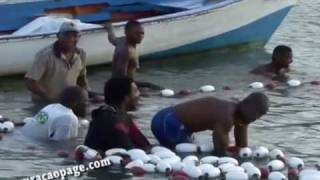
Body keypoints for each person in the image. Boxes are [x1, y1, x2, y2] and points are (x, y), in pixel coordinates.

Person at [151, 92, 269, 156]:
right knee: (180, 156)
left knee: (186, 148)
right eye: (257, 114)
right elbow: (219, 151)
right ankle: (146, 151)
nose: (256, 118)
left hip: (170, 120)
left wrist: (242, 151)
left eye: (259, 116)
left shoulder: (239, 114)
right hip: (168, 122)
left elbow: (242, 145)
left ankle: (150, 149)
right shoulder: (227, 116)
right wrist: (230, 156)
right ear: (248, 106)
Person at [25, 21, 103, 104]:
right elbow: (30, 82)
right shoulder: (45, 56)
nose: (71, 39)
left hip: (70, 102)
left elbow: (81, 80)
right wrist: (50, 98)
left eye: (75, 36)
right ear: (58, 36)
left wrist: (90, 95)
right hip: (45, 103)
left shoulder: (81, 54)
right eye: (67, 35)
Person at [84, 78, 150, 153]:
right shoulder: (113, 122)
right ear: (126, 98)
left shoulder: (120, 116)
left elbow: (144, 144)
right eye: (136, 91)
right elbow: (130, 152)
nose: (139, 94)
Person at [105, 20, 162, 90]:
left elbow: (112, 38)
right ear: (127, 33)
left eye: (142, 33)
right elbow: (120, 79)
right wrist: (146, 85)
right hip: (122, 88)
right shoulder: (126, 51)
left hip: (126, 84)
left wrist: (109, 28)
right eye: (136, 34)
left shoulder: (121, 41)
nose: (140, 36)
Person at [22, 86, 88, 141]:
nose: (87, 104)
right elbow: (60, 144)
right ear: (76, 103)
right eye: (85, 101)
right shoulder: (68, 118)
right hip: (36, 146)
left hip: (24, 137)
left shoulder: (51, 106)